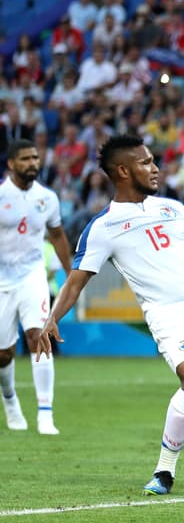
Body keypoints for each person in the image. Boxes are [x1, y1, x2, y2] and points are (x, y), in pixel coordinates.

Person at [35, 135, 184, 496]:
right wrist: (52, 318)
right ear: (122, 170)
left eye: (153, 161)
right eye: (146, 163)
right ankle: (164, 471)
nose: (155, 168)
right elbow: (75, 282)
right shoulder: (103, 227)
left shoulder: (173, 209)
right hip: (168, 314)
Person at [0, 140, 73, 434]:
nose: (33, 163)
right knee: (3, 353)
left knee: (37, 336)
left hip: (32, 276)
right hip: (2, 280)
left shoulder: (48, 198)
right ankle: (10, 400)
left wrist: (71, 275)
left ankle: (45, 414)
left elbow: (57, 235)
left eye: (35, 158)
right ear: (11, 164)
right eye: (26, 159)